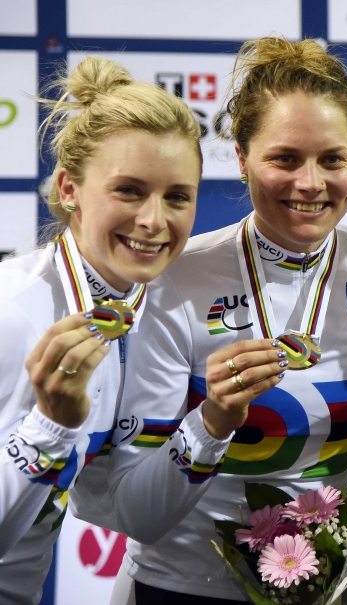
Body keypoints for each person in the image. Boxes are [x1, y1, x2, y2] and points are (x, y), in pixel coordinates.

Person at [101, 37, 347, 604]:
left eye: (332, 159)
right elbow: (136, 516)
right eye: (284, 158)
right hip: (178, 589)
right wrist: (213, 421)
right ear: (242, 157)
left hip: (324, 586)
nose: (310, 183)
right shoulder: (177, 277)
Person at [0, 57, 201, 604]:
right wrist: (48, 427)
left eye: (177, 196)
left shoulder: (146, 311)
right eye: (130, 191)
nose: (155, 221)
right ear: (69, 188)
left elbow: (110, 504)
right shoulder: (12, 311)